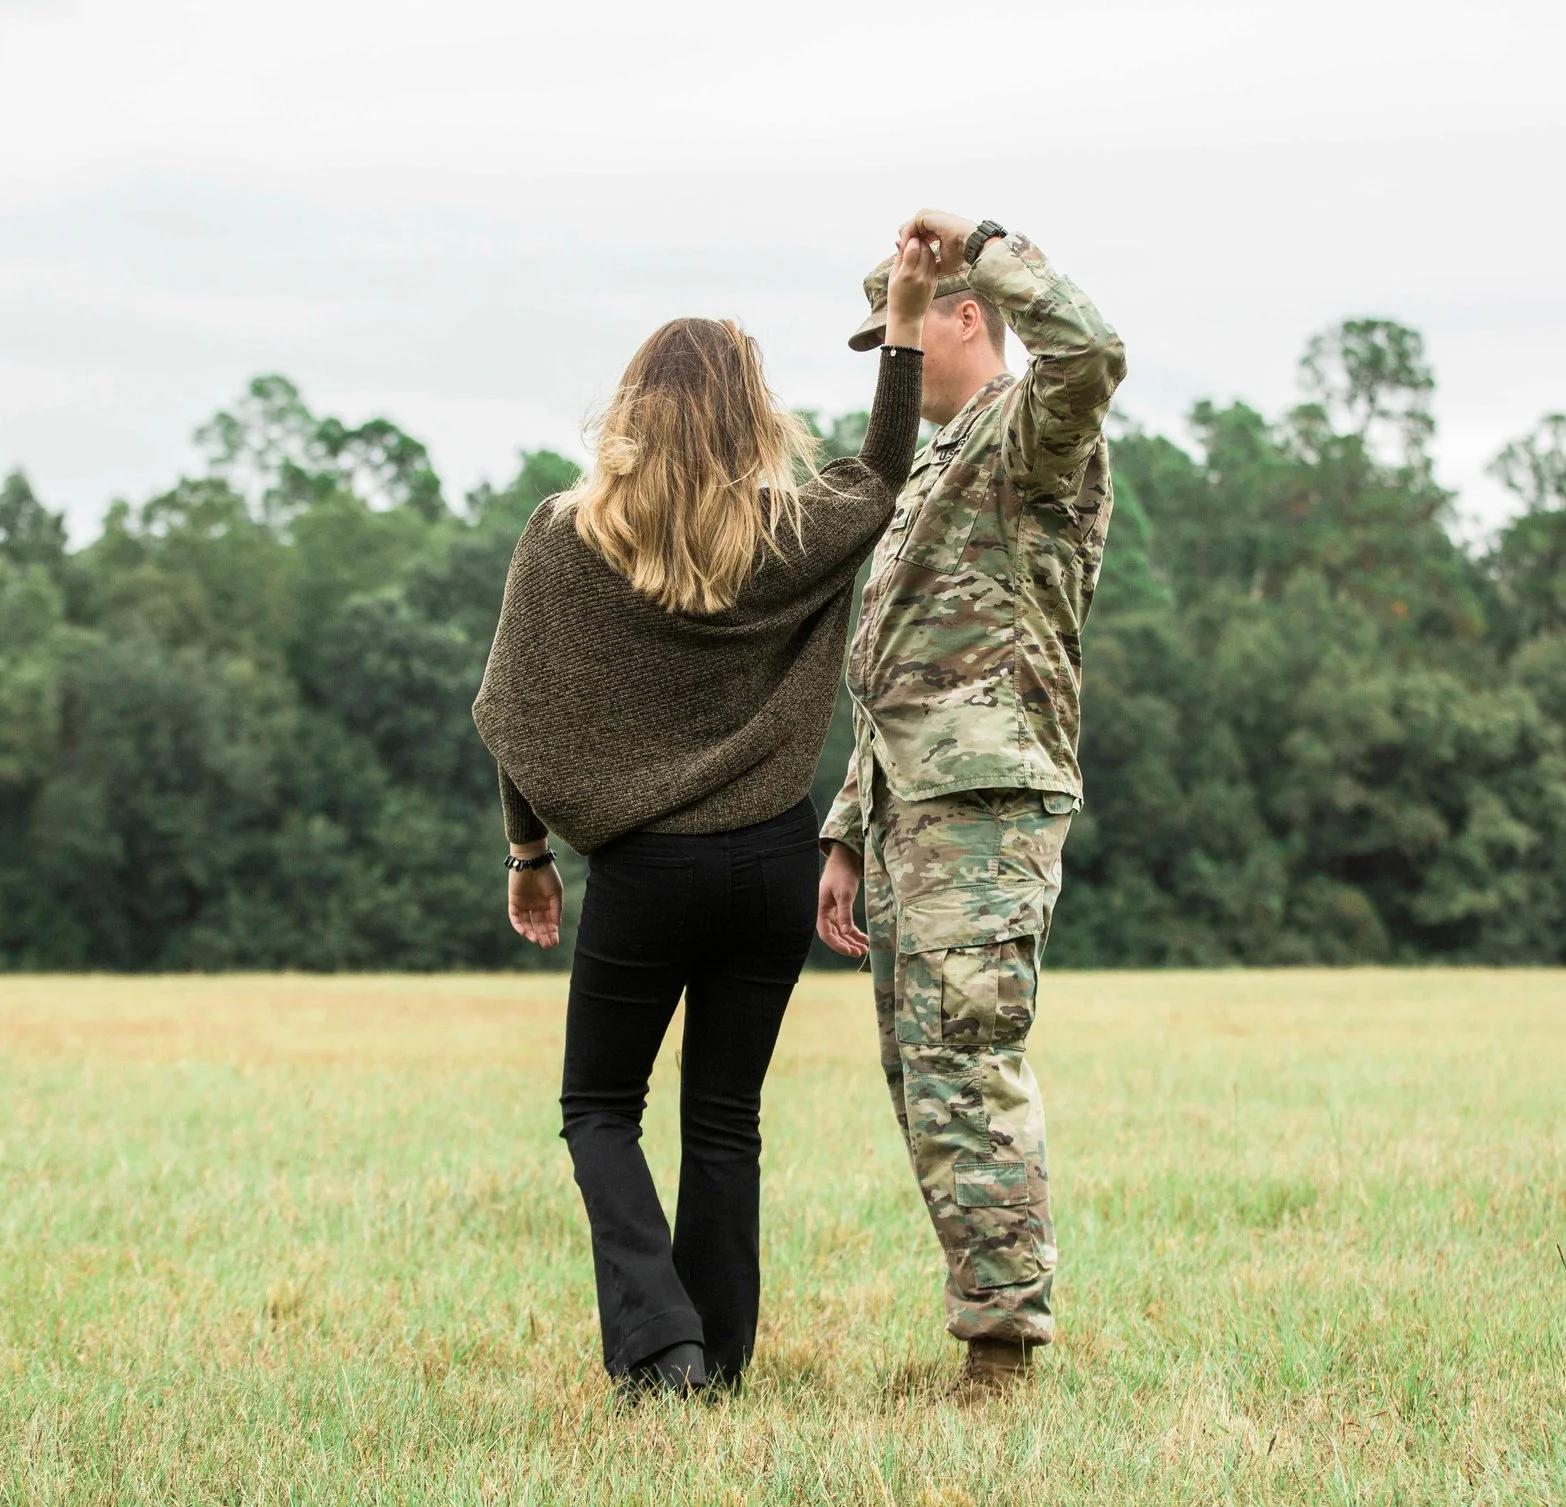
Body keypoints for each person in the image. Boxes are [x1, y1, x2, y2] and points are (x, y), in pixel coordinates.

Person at [471, 239, 935, 1399]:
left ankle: (662, 1342)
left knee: (597, 1109)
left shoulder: (564, 538)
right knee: (725, 1118)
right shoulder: (789, 533)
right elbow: (880, 469)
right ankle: (714, 1362)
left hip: (647, 874)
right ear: (751, 414)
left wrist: (530, 853)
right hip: (772, 864)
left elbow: (517, 712)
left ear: (631, 410)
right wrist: (909, 325)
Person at [814, 210, 1126, 1398]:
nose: (890, 354)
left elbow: (1091, 351)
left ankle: (1001, 1356)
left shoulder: (1031, 432)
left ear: (962, 316)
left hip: (987, 798)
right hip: (909, 808)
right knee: (922, 1071)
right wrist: (848, 824)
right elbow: (892, 661)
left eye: (903, 325)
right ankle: (988, 1328)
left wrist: (985, 244)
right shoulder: (925, 465)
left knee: (966, 1059)